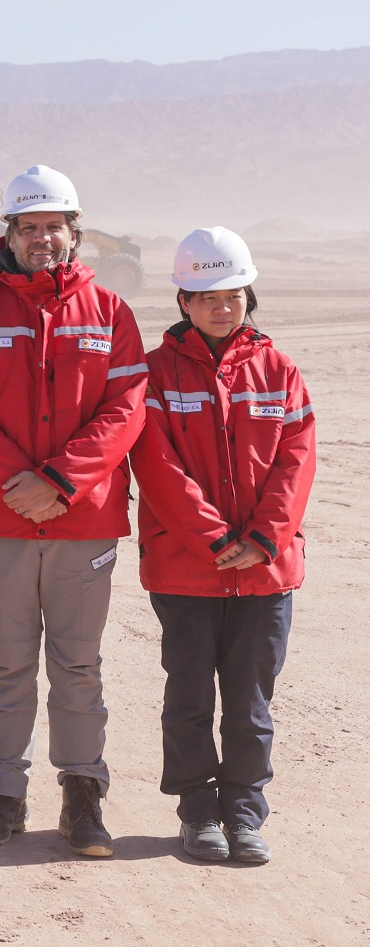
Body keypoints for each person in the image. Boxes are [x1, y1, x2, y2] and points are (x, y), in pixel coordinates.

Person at [0, 165, 148, 858]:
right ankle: (5, 795)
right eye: (29, 228)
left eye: (53, 226)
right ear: (10, 234)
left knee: (78, 664)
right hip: (1, 520)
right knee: (8, 664)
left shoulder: (110, 313)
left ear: (73, 232)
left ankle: (83, 796)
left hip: (81, 518)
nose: (42, 238)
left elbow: (126, 411)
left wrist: (59, 481)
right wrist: (19, 484)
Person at [131, 227, 314, 865]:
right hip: (187, 571)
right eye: (206, 295)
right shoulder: (153, 374)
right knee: (188, 697)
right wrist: (212, 539)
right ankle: (197, 814)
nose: (221, 307)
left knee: (250, 702)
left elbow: (296, 459)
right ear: (183, 300)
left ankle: (243, 813)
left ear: (247, 295)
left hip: (266, 571)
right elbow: (154, 464)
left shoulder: (278, 369)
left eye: (232, 294)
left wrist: (266, 537)